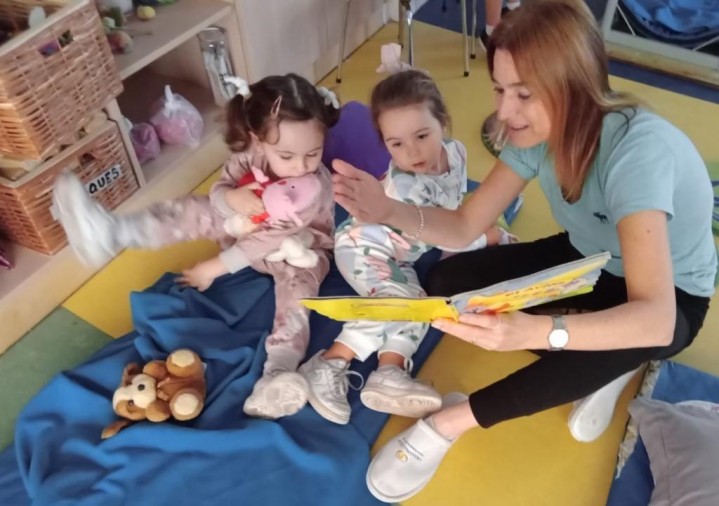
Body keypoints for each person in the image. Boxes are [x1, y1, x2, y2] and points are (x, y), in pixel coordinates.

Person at [331, 0, 716, 502]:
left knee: (598, 336)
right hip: (592, 258)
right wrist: (387, 209)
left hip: (672, 300)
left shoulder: (637, 155)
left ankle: (448, 422)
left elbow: (658, 320)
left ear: (573, 84)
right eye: (499, 89)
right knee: (447, 284)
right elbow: (465, 225)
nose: (503, 111)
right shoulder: (532, 134)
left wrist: (537, 331)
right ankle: (606, 356)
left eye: (523, 94)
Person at [52, 73, 341, 420]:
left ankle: (277, 372)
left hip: (298, 250)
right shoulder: (250, 154)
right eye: (287, 156)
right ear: (258, 139)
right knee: (193, 209)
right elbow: (220, 190)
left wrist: (214, 268)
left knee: (298, 294)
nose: (301, 167)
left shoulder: (313, 186)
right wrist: (231, 199)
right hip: (242, 229)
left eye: (313, 153)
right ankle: (113, 233)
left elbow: (271, 238)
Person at [298, 69, 515, 425]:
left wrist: (482, 232)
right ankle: (329, 363)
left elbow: (456, 212)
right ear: (385, 144)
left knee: (418, 303)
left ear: (443, 122)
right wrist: (492, 237)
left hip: (401, 254)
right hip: (364, 246)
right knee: (396, 300)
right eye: (396, 144)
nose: (412, 152)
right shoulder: (407, 187)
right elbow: (450, 233)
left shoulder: (456, 153)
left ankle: (390, 370)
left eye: (422, 135)